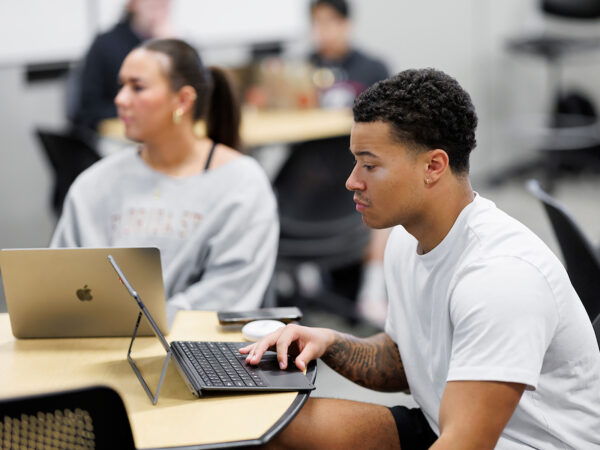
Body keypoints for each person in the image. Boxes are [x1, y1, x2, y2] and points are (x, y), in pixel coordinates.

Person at [241, 69, 600, 449]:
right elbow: (404, 360)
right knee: (266, 429)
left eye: (369, 165)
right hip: (439, 429)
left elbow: (465, 442)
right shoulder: (404, 239)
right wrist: (328, 341)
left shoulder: (501, 278)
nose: (351, 181)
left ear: (433, 167)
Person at [52, 38, 279, 325]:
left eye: (137, 87)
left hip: (199, 352)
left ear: (182, 100)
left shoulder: (242, 184)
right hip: (101, 345)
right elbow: (61, 283)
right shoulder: (95, 183)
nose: (120, 99)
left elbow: (229, 292)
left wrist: (147, 322)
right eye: (121, 86)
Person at [70, 0, 173, 130]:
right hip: (114, 129)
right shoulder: (106, 44)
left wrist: (170, 47)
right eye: (153, 6)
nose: (158, 13)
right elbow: (89, 107)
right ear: (133, 4)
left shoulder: (167, 43)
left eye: (164, 6)